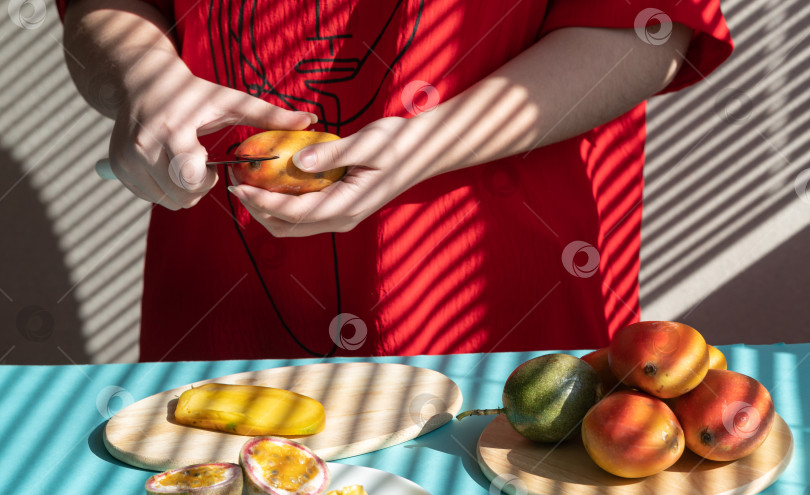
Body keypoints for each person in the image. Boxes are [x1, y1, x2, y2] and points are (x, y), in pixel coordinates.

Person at [59, 0, 733, 361]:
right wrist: (140, 75)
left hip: (499, 317)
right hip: (225, 317)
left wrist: (426, 146)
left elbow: (647, 29)